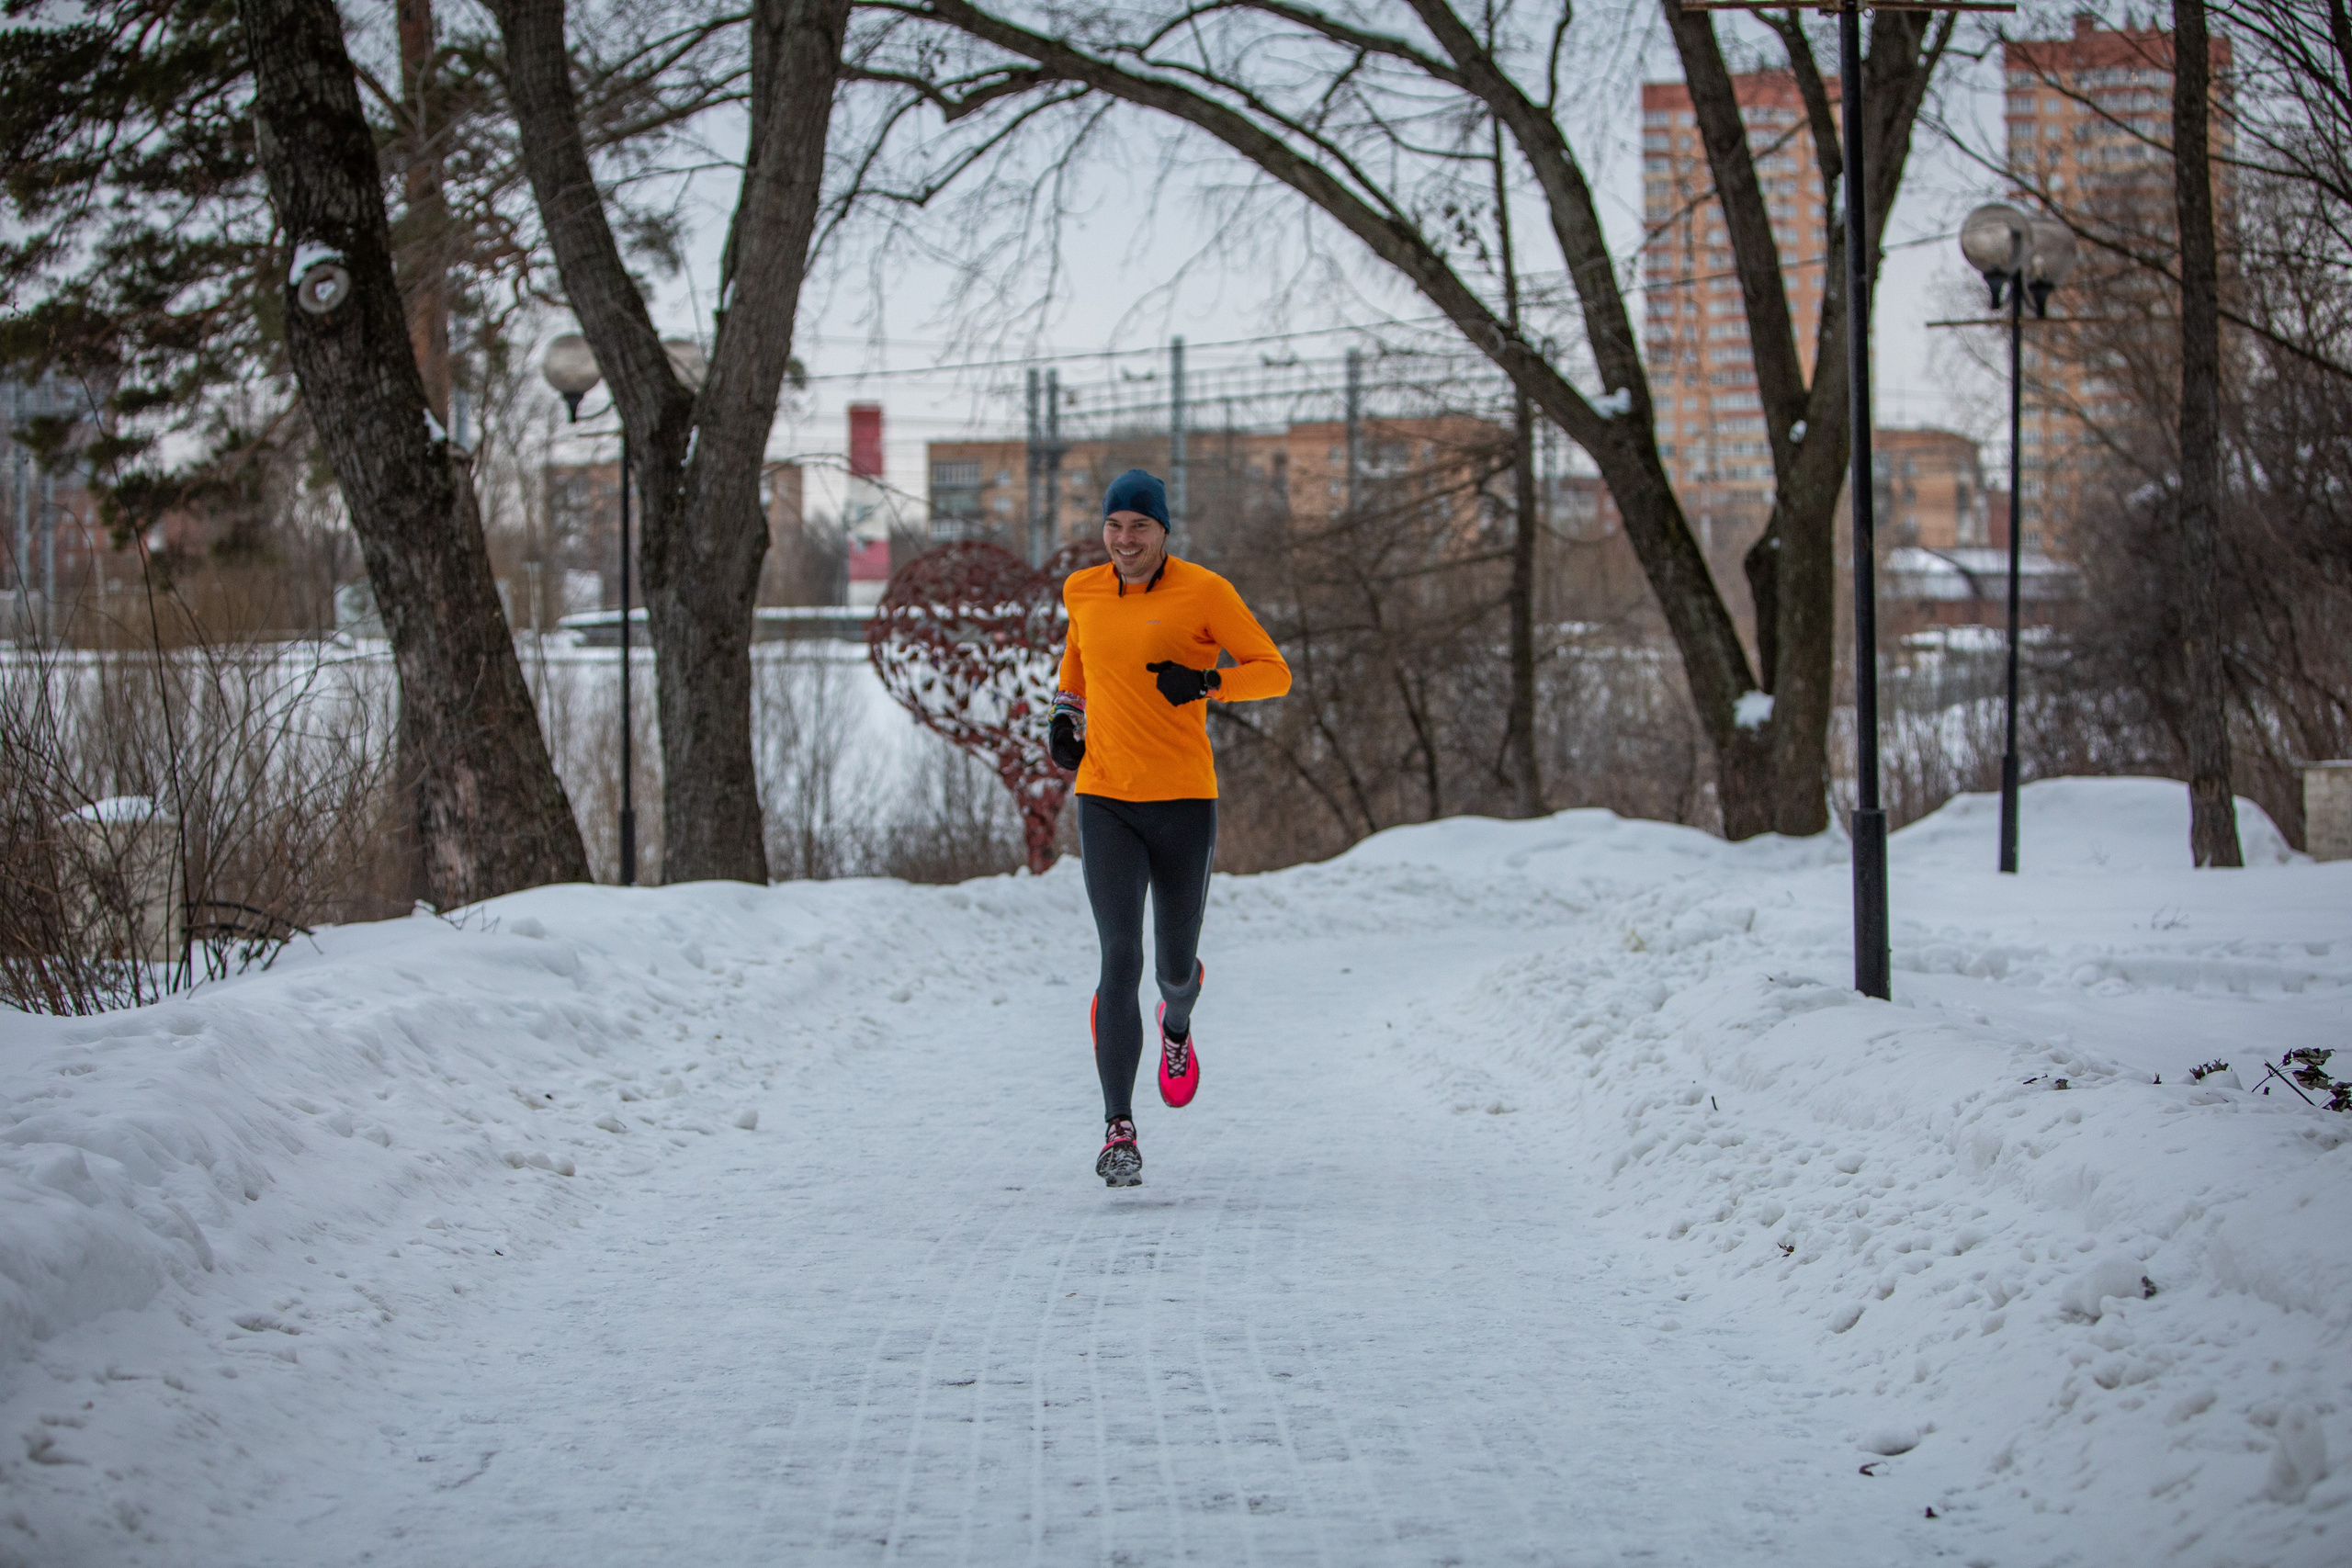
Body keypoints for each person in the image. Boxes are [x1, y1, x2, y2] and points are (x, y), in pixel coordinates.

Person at [1049, 468, 1290, 1187]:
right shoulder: (1083, 590)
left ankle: (1176, 1024)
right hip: (1107, 800)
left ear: (1163, 532)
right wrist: (1066, 713)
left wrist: (1207, 681)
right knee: (1119, 958)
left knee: (1173, 969)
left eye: (1140, 528)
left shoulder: (1205, 592)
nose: (1125, 541)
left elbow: (1273, 671)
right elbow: (1080, 658)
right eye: (1114, 527)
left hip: (1185, 800)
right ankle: (1117, 1127)